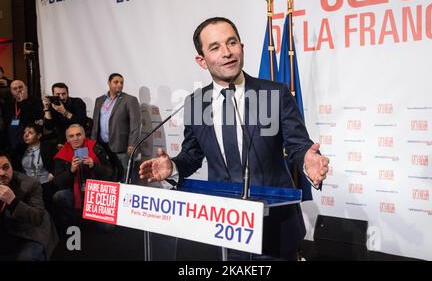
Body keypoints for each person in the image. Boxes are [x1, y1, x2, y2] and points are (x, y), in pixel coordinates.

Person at [139, 17, 329, 261]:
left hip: (276, 227)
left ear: (242, 47)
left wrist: (307, 160)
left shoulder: (274, 93)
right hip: (223, 228)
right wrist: (173, 166)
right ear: (201, 60)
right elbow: (192, 156)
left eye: (232, 43)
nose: (227, 53)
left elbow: (297, 144)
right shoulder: (196, 103)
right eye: (215, 47)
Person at [53, 124, 115, 230]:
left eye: (78, 135)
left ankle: (88, 220)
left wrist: (93, 166)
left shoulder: (96, 148)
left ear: (84, 135)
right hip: (74, 192)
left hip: (96, 192)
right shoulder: (61, 155)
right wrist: (71, 170)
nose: (75, 138)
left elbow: (110, 173)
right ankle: (76, 219)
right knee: (59, 196)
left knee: (108, 227)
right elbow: (58, 182)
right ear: (67, 139)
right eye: (71, 136)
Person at [0, 151, 58, 261]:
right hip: (8, 229)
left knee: (27, 257)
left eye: (6, 167)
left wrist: (13, 201)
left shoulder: (30, 184)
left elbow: (37, 217)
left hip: (31, 229)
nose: (2, 173)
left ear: (11, 166)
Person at [91, 73, 141, 182]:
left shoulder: (129, 100)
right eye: (116, 82)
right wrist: (92, 143)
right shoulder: (99, 100)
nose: (119, 85)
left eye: (121, 82)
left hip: (121, 146)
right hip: (102, 146)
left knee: (124, 177)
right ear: (109, 83)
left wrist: (132, 144)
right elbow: (95, 123)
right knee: (107, 176)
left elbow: (135, 124)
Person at [13, 124, 58, 211]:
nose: (26, 135)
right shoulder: (20, 149)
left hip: (45, 184)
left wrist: (53, 173)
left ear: (39, 135)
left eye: (30, 133)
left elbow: (58, 164)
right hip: (27, 185)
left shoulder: (48, 147)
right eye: (25, 132)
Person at [43, 82, 87, 146]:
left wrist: (64, 112)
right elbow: (49, 127)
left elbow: (80, 123)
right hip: (59, 139)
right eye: (58, 94)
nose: (61, 97)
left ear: (68, 93)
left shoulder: (77, 102)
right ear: (53, 94)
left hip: (76, 138)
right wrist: (47, 108)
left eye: (64, 94)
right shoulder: (52, 105)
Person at [4, 80, 43, 150]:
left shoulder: (36, 101)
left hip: (29, 141)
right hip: (12, 141)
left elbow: (35, 119)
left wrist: (23, 102)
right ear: (11, 91)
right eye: (15, 89)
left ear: (26, 88)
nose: (18, 90)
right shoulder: (8, 104)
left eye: (20, 87)